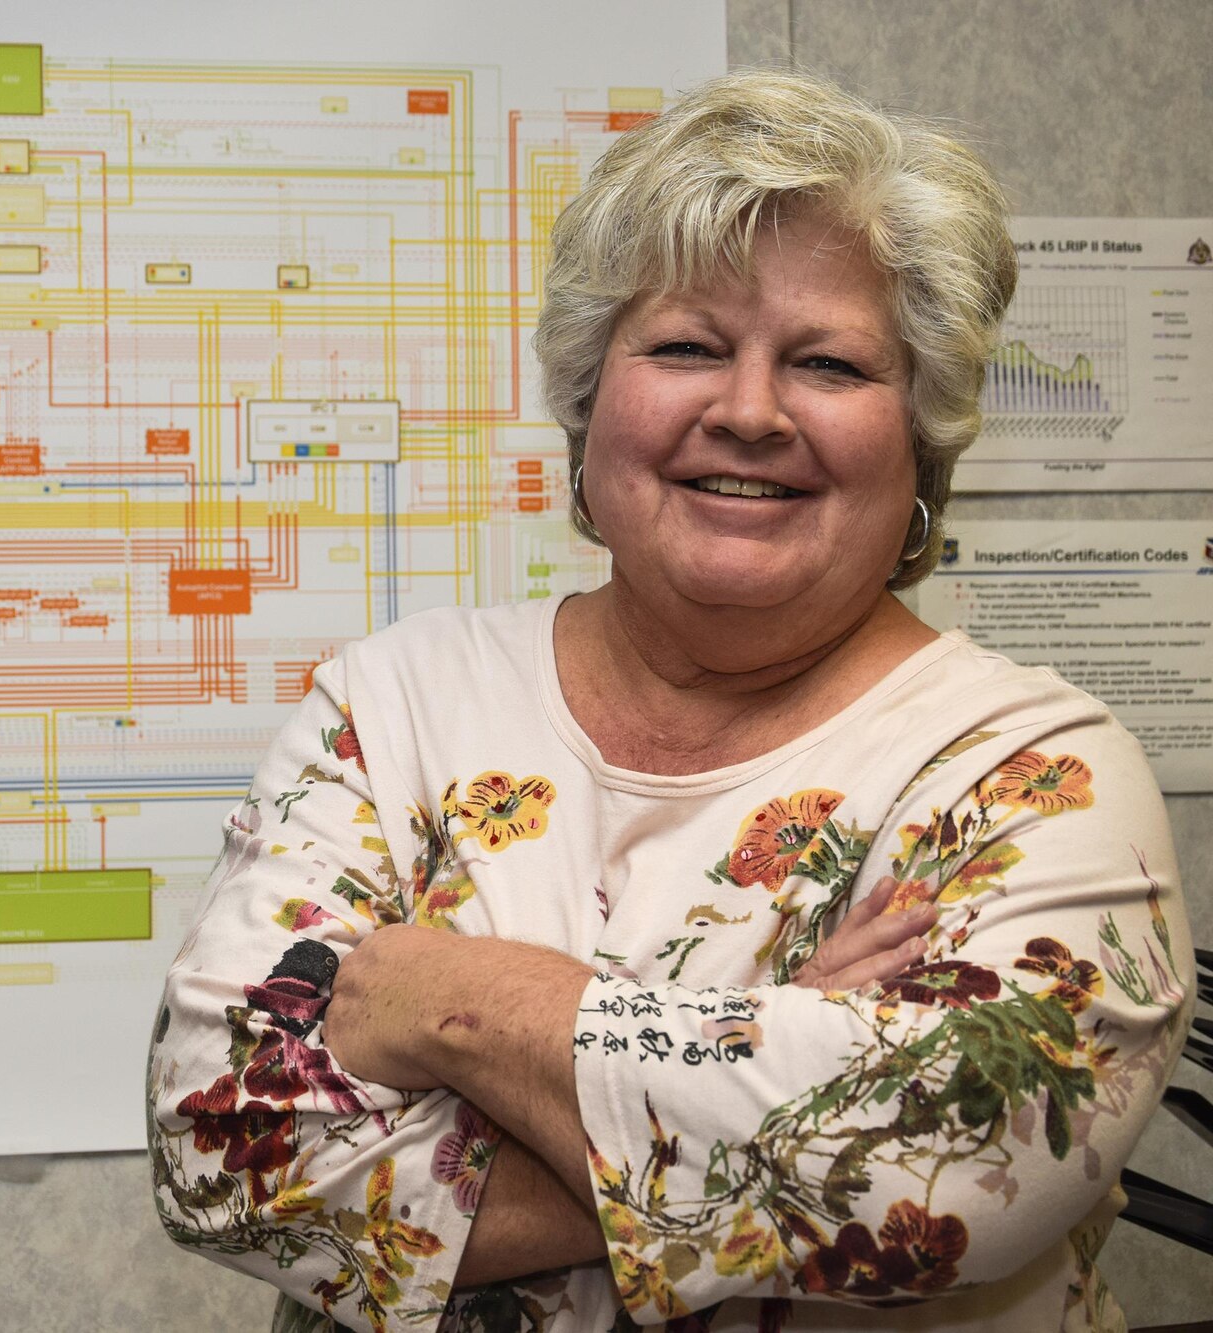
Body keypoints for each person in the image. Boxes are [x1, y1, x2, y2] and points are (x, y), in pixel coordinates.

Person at [146, 69, 1192, 1333]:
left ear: (918, 436)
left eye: (827, 362)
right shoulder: (391, 705)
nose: (747, 411)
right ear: (590, 409)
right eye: (686, 346)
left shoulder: (1033, 770)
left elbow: (945, 1178)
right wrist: (782, 1044)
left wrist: (443, 1003)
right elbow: (225, 1161)